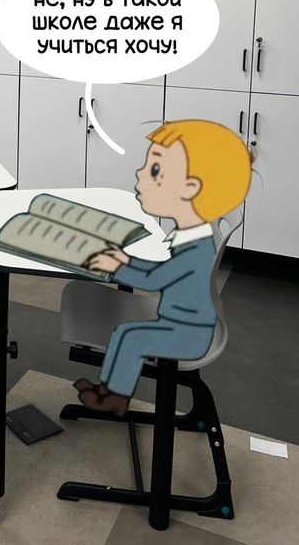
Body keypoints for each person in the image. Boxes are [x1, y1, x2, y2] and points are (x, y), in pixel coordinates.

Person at [74, 119, 254, 417]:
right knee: (126, 334)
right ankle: (109, 394)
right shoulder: (191, 234)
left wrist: (116, 267)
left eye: (155, 169)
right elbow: (157, 269)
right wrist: (125, 260)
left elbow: (153, 279)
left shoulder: (193, 247)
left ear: (190, 188)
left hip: (186, 333)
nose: (141, 173)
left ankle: (113, 397)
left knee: (129, 336)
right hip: (182, 320)